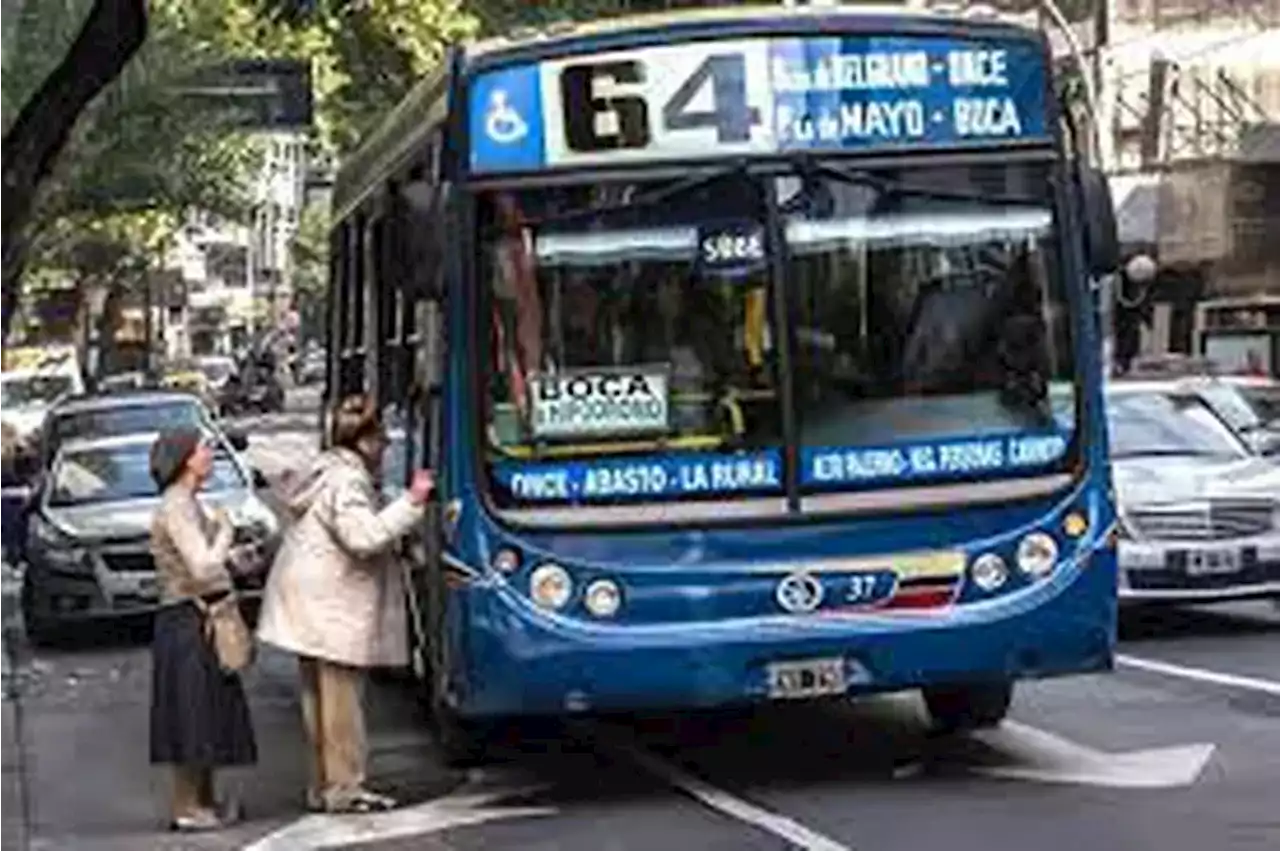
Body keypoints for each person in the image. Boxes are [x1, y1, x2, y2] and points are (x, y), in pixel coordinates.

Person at [256, 394, 434, 814]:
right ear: (367, 443)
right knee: (342, 703)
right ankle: (345, 788)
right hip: (330, 605)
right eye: (382, 441)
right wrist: (413, 501)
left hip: (305, 602)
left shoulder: (326, 469)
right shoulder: (348, 481)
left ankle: (322, 785)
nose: (387, 448)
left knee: (317, 701)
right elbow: (363, 538)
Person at [148, 427, 257, 832]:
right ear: (185, 460)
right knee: (190, 713)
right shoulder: (177, 506)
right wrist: (227, 532)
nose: (210, 454)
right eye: (203, 448)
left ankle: (204, 801)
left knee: (204, 710)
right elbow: (203, 565)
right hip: (186, 619)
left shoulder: (190, 503)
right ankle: (188, 807)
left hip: (196, 616)